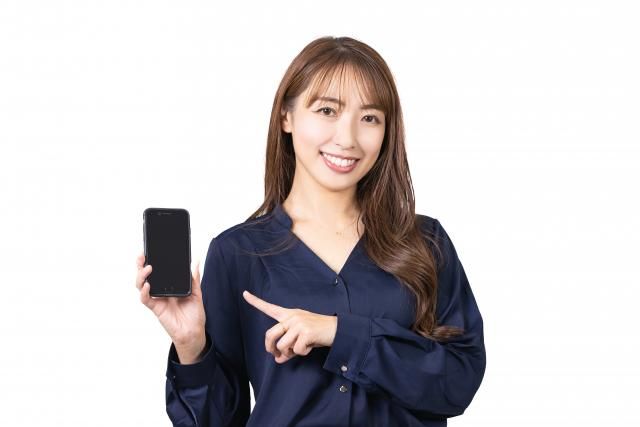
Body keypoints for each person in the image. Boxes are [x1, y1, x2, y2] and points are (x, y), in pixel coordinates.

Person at [135, 35, 486, 427]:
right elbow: (220, 421)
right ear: (286, 116)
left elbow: (458, 382)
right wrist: (191, 345)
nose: (347, 138)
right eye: (327, 111)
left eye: (369, 118)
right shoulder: (238, 253)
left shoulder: (425, 243)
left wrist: (339, 333)